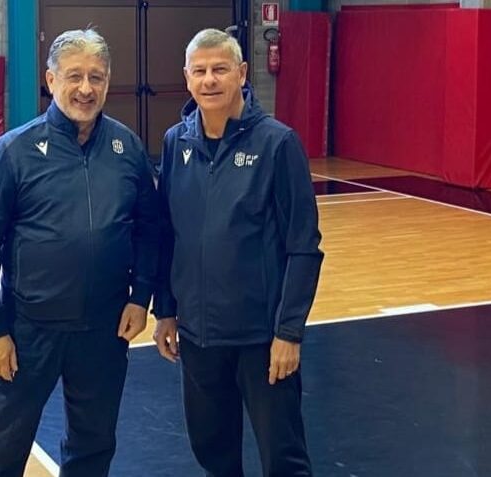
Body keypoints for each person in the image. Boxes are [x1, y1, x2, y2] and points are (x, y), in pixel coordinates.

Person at [0, 28, 158, 477]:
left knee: (93, 447)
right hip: (28, 330)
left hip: (104, 329)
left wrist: (141, 295)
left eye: (96, 77)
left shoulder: (127, 149)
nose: (86, 88)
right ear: (51, 80)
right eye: (74, 76)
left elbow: (150, 229)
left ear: (108, 82)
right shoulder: (13, 151)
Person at [153, 28, 324, 477]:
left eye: (220, 69)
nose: (209, 80)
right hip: (198, 336)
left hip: (260, 338)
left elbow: (304, 248)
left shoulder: (278, 144)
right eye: (200, 71)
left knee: (283, 457)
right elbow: (167, 234)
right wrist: (165, 311)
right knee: (213, 454)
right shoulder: (175, 142)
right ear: (187, 78)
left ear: (242, 73)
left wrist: (288, 332)